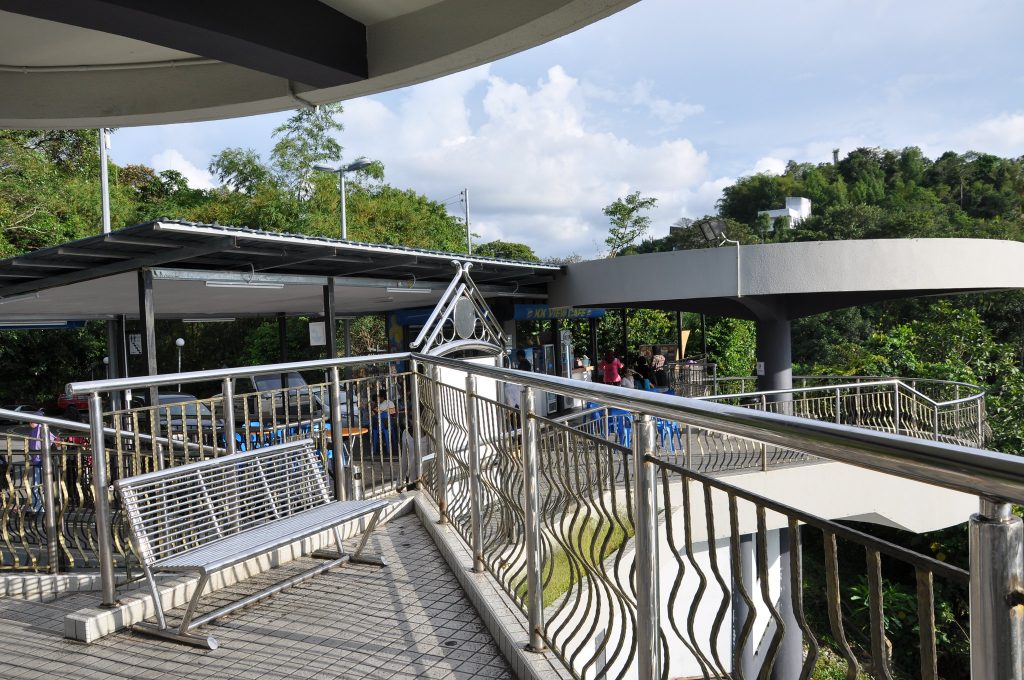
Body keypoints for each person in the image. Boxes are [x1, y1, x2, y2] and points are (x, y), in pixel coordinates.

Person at [400, 401, 430, 491]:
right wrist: (400, 481)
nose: (411, 421)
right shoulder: (406, 433)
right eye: (410, 417)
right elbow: (404, 458)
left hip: (430, 479)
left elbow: (436, 456)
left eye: (415, 417)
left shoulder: (431, 434)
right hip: (412, 480)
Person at [27, 420, 56, 512]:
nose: (29, 423)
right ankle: (39, 505)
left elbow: (36, 446)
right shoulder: (36, 430)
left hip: (41, 462)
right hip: (39, 462)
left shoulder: (40, 430)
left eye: (31, 421)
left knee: (37, 485)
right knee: (38, 484)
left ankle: (38, 506)